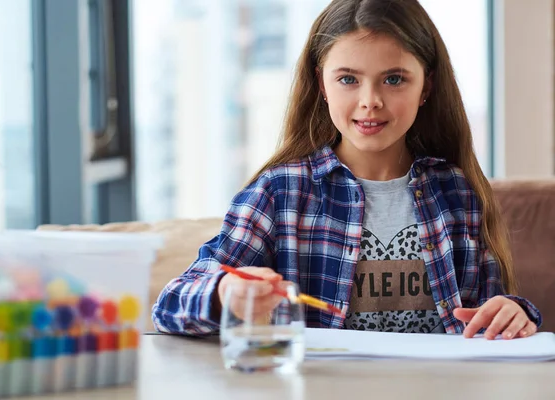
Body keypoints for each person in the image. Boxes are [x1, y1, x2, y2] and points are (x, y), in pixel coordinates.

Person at [152, 0, 541, 339]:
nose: (369, 101)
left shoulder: (457, 192)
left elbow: (489, 315)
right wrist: (226, 294)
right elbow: (172, 303)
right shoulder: (281, 194)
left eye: (393, 79)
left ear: (426, 88)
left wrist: (513, 313)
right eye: (348, 79)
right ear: (322, 84)